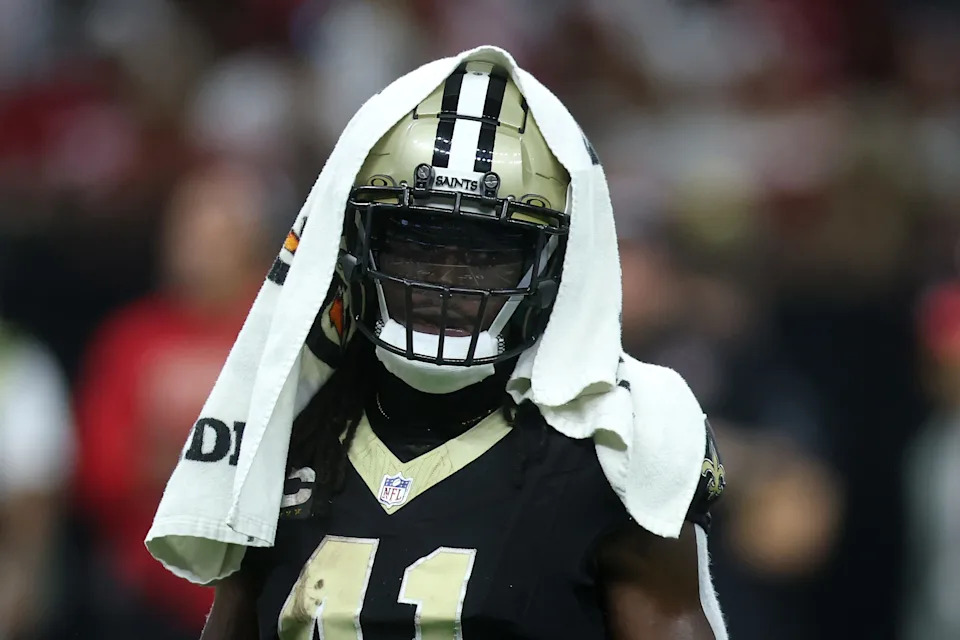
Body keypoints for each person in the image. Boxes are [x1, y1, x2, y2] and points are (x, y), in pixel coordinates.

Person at [196, 59, 726, 639]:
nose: (444, 281)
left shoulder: (620, 441)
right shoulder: (286, 422)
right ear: (351, 241)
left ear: (555, 264)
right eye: (414, 243)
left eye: (485, 252)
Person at [75, 161, 269, 638]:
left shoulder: (281, 337)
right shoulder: (128, 339)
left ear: (251, 243)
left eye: (211, 237)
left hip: (265, 588)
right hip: (149, 598)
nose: (191, 251)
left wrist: (173, 453)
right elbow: (100, 474)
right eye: (182, 234)